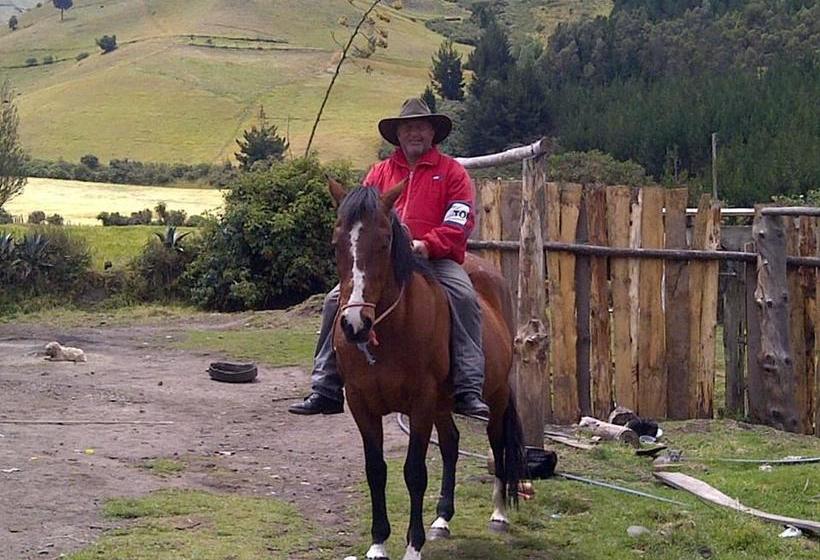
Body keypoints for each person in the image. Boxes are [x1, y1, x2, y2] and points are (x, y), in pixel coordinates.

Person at [288, 98, 489, 417]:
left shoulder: (452, 173)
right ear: (398, 134)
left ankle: (468, 386)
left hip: (434, 259)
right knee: (332, 302)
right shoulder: (378, 173)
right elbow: (358, 221)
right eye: (408, 127)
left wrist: (428, 244)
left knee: (464, 296)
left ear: (432, 133)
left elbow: (459, 219)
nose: (415, 133)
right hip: (383, 264)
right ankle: (326, 384)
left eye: (421, 127)